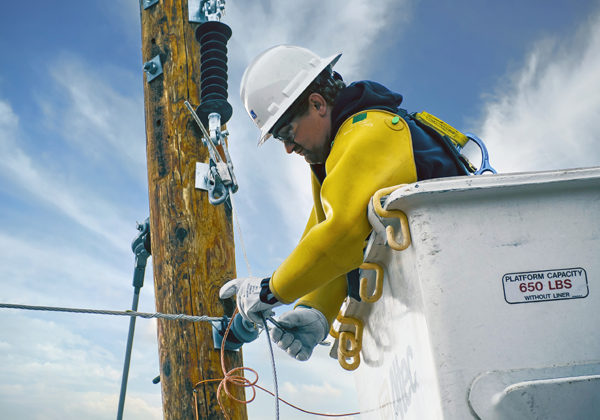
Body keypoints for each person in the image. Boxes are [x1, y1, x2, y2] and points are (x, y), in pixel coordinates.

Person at [219, 45, 468, 361]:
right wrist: (317, 309)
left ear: (318, 103)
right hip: (445, 298)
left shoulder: (370, 130)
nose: (288, 148)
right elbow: (327, 241)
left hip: (463, 286)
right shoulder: (335, 158)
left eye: (286, 133)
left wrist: (270, 291)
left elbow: (344, 232)